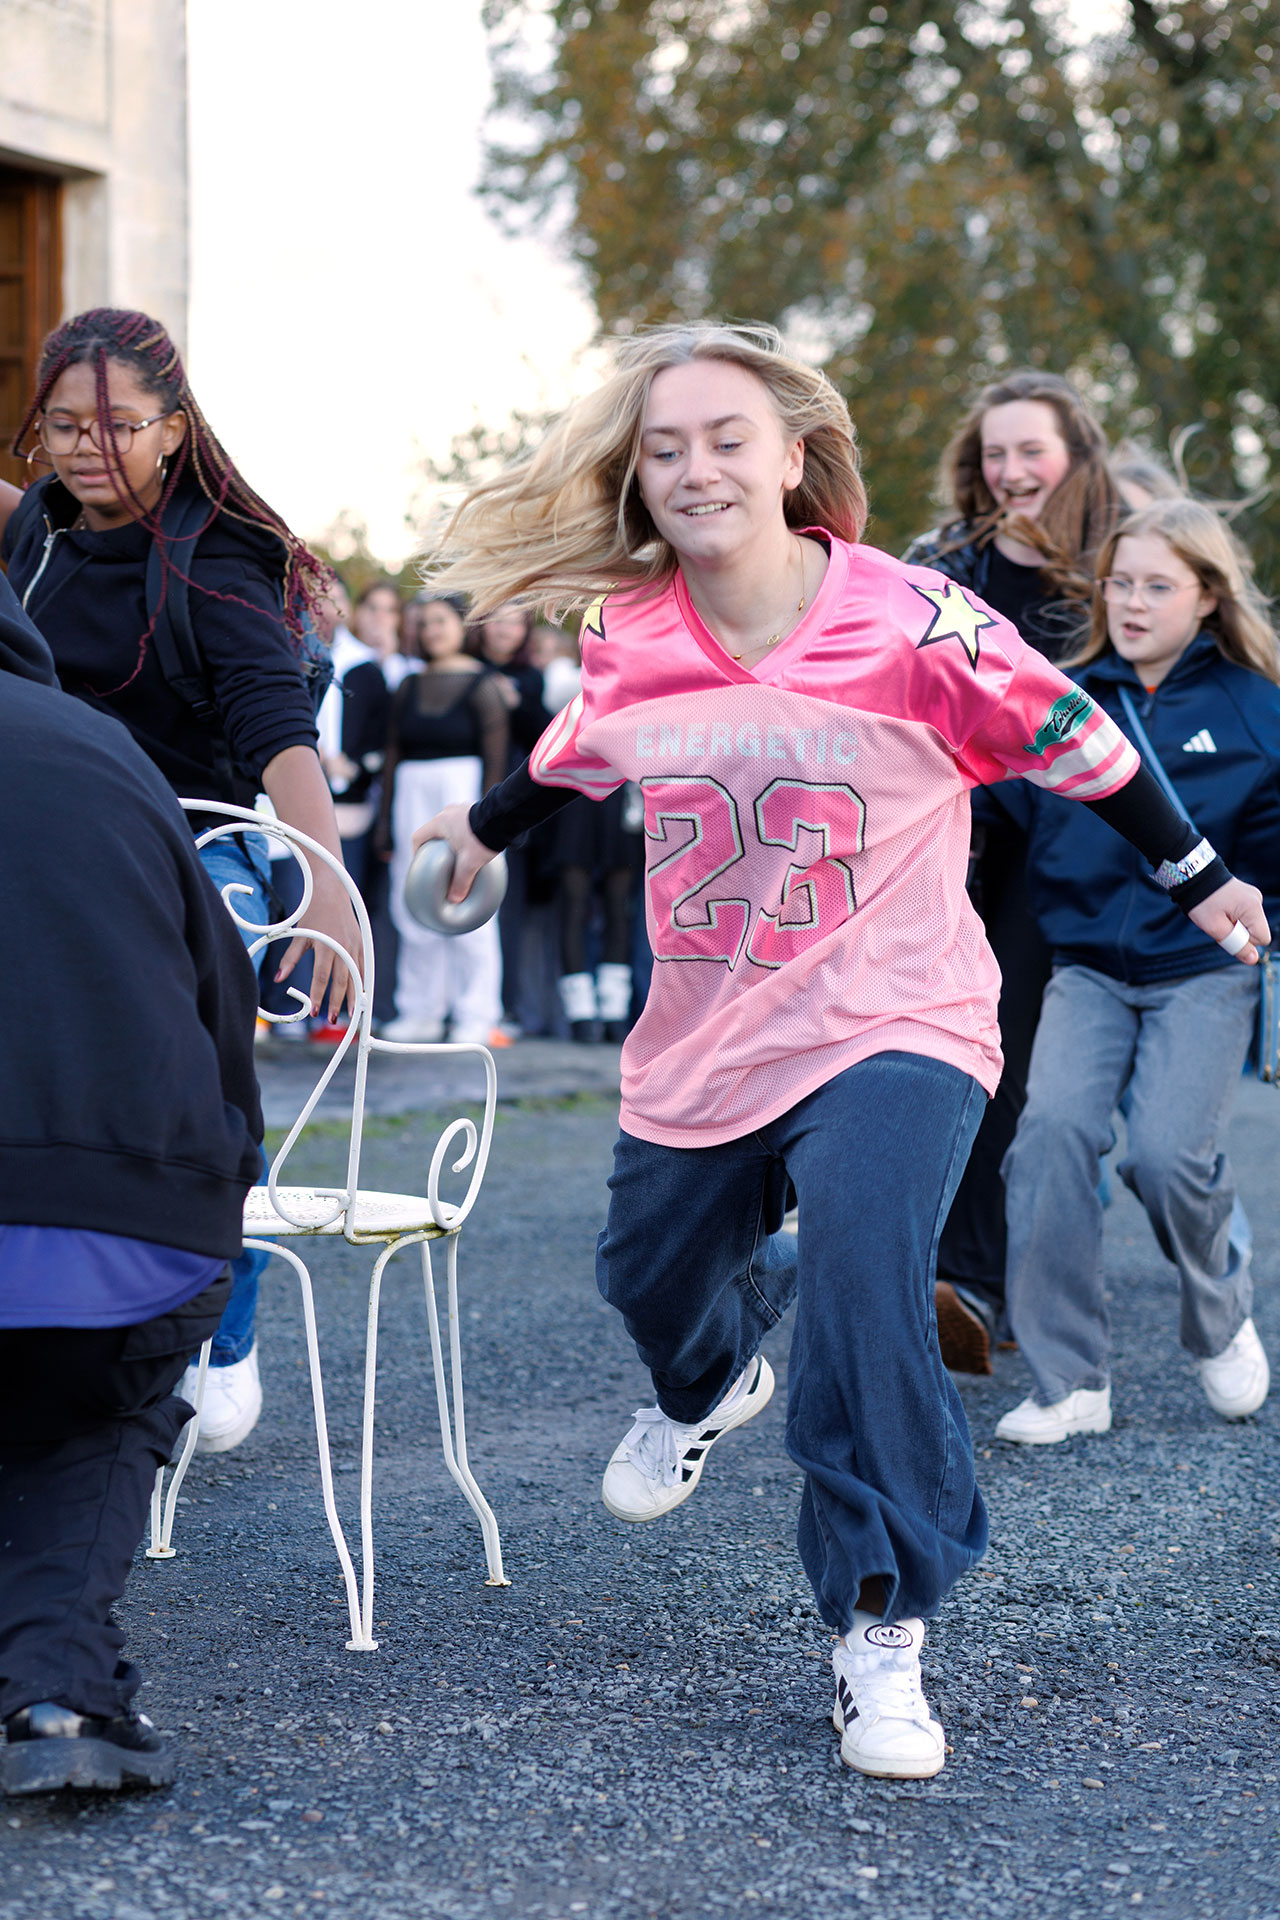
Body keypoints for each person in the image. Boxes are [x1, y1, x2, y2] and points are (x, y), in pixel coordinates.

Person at [410, 323, 1266, 1779]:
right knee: (646, 1277)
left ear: (791, 457)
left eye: (725, 438)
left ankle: (881, 1621)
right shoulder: (632, 632)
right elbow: (585, 746)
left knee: (870, 1290)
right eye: (665, 449)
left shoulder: (914, 622)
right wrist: (481, 830)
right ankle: (704, 1379)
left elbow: (1078, 737)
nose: (695, 469)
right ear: (637, 475)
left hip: (896, 1014)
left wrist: (1197, 876)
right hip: (709, 1034)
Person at [0, 307, 359, 1454]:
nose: (86, 448)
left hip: (191, 845)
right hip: (50, 844)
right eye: (63, 425)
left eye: (118, 426)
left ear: (174, 426)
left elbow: (277, 729)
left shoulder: (219, 558)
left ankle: (225, 1320)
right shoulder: (41, 530)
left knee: (191, 1082)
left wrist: (324, 880)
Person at [0, 571, 261, 1796]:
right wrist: (221, 1184)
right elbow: (224, 997)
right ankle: (59, 1694)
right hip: (137, 1222)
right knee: (96, 1398)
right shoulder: (104, 747)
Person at [996, 500, 1278, 1442]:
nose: (1132, 602)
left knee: (1166, 1157)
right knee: (1049, 1141)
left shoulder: (1258, 708)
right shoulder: (1061, 698)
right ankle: (1070, 1380)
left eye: (1158, 586)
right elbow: (996, 815)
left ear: (1208, 596)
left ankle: (1221, 1317)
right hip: (1084, 967)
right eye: (1120, 583)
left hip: (1204, 970)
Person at [903, 372, 1126, 1375]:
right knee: (948, 1052)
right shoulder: (942, 562)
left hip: (1074, 845)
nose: (1010, 470)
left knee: (1036, 1069)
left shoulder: (1118, 562)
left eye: (1030, 450)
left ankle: (1000, 1278)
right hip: (951, 838)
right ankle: (959, 1280)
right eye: (994, 452)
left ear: (1075, 454)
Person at [377, 592, 510, 1043]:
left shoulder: (484, 685)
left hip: (464, 797)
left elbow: (496, 761)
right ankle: (420, 1011)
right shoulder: (408, 686)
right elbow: (392, 755)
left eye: (441, 621)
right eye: (425, 623)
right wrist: (384, 823)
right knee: (411, 898)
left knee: (470, 901)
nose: (432, 631)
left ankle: (476, 1013)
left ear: (463, 626)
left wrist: (492, 822)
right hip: (411, 798)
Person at [470, 601, 553, 1036]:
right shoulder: (466, 670)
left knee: (507, 908)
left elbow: (543, 737)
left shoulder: (530, 678)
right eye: (497, 620)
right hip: (466, 793)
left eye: (514, 622)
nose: (504, 630)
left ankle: (505, 1006)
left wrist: (516, 702)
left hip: (512, 805)